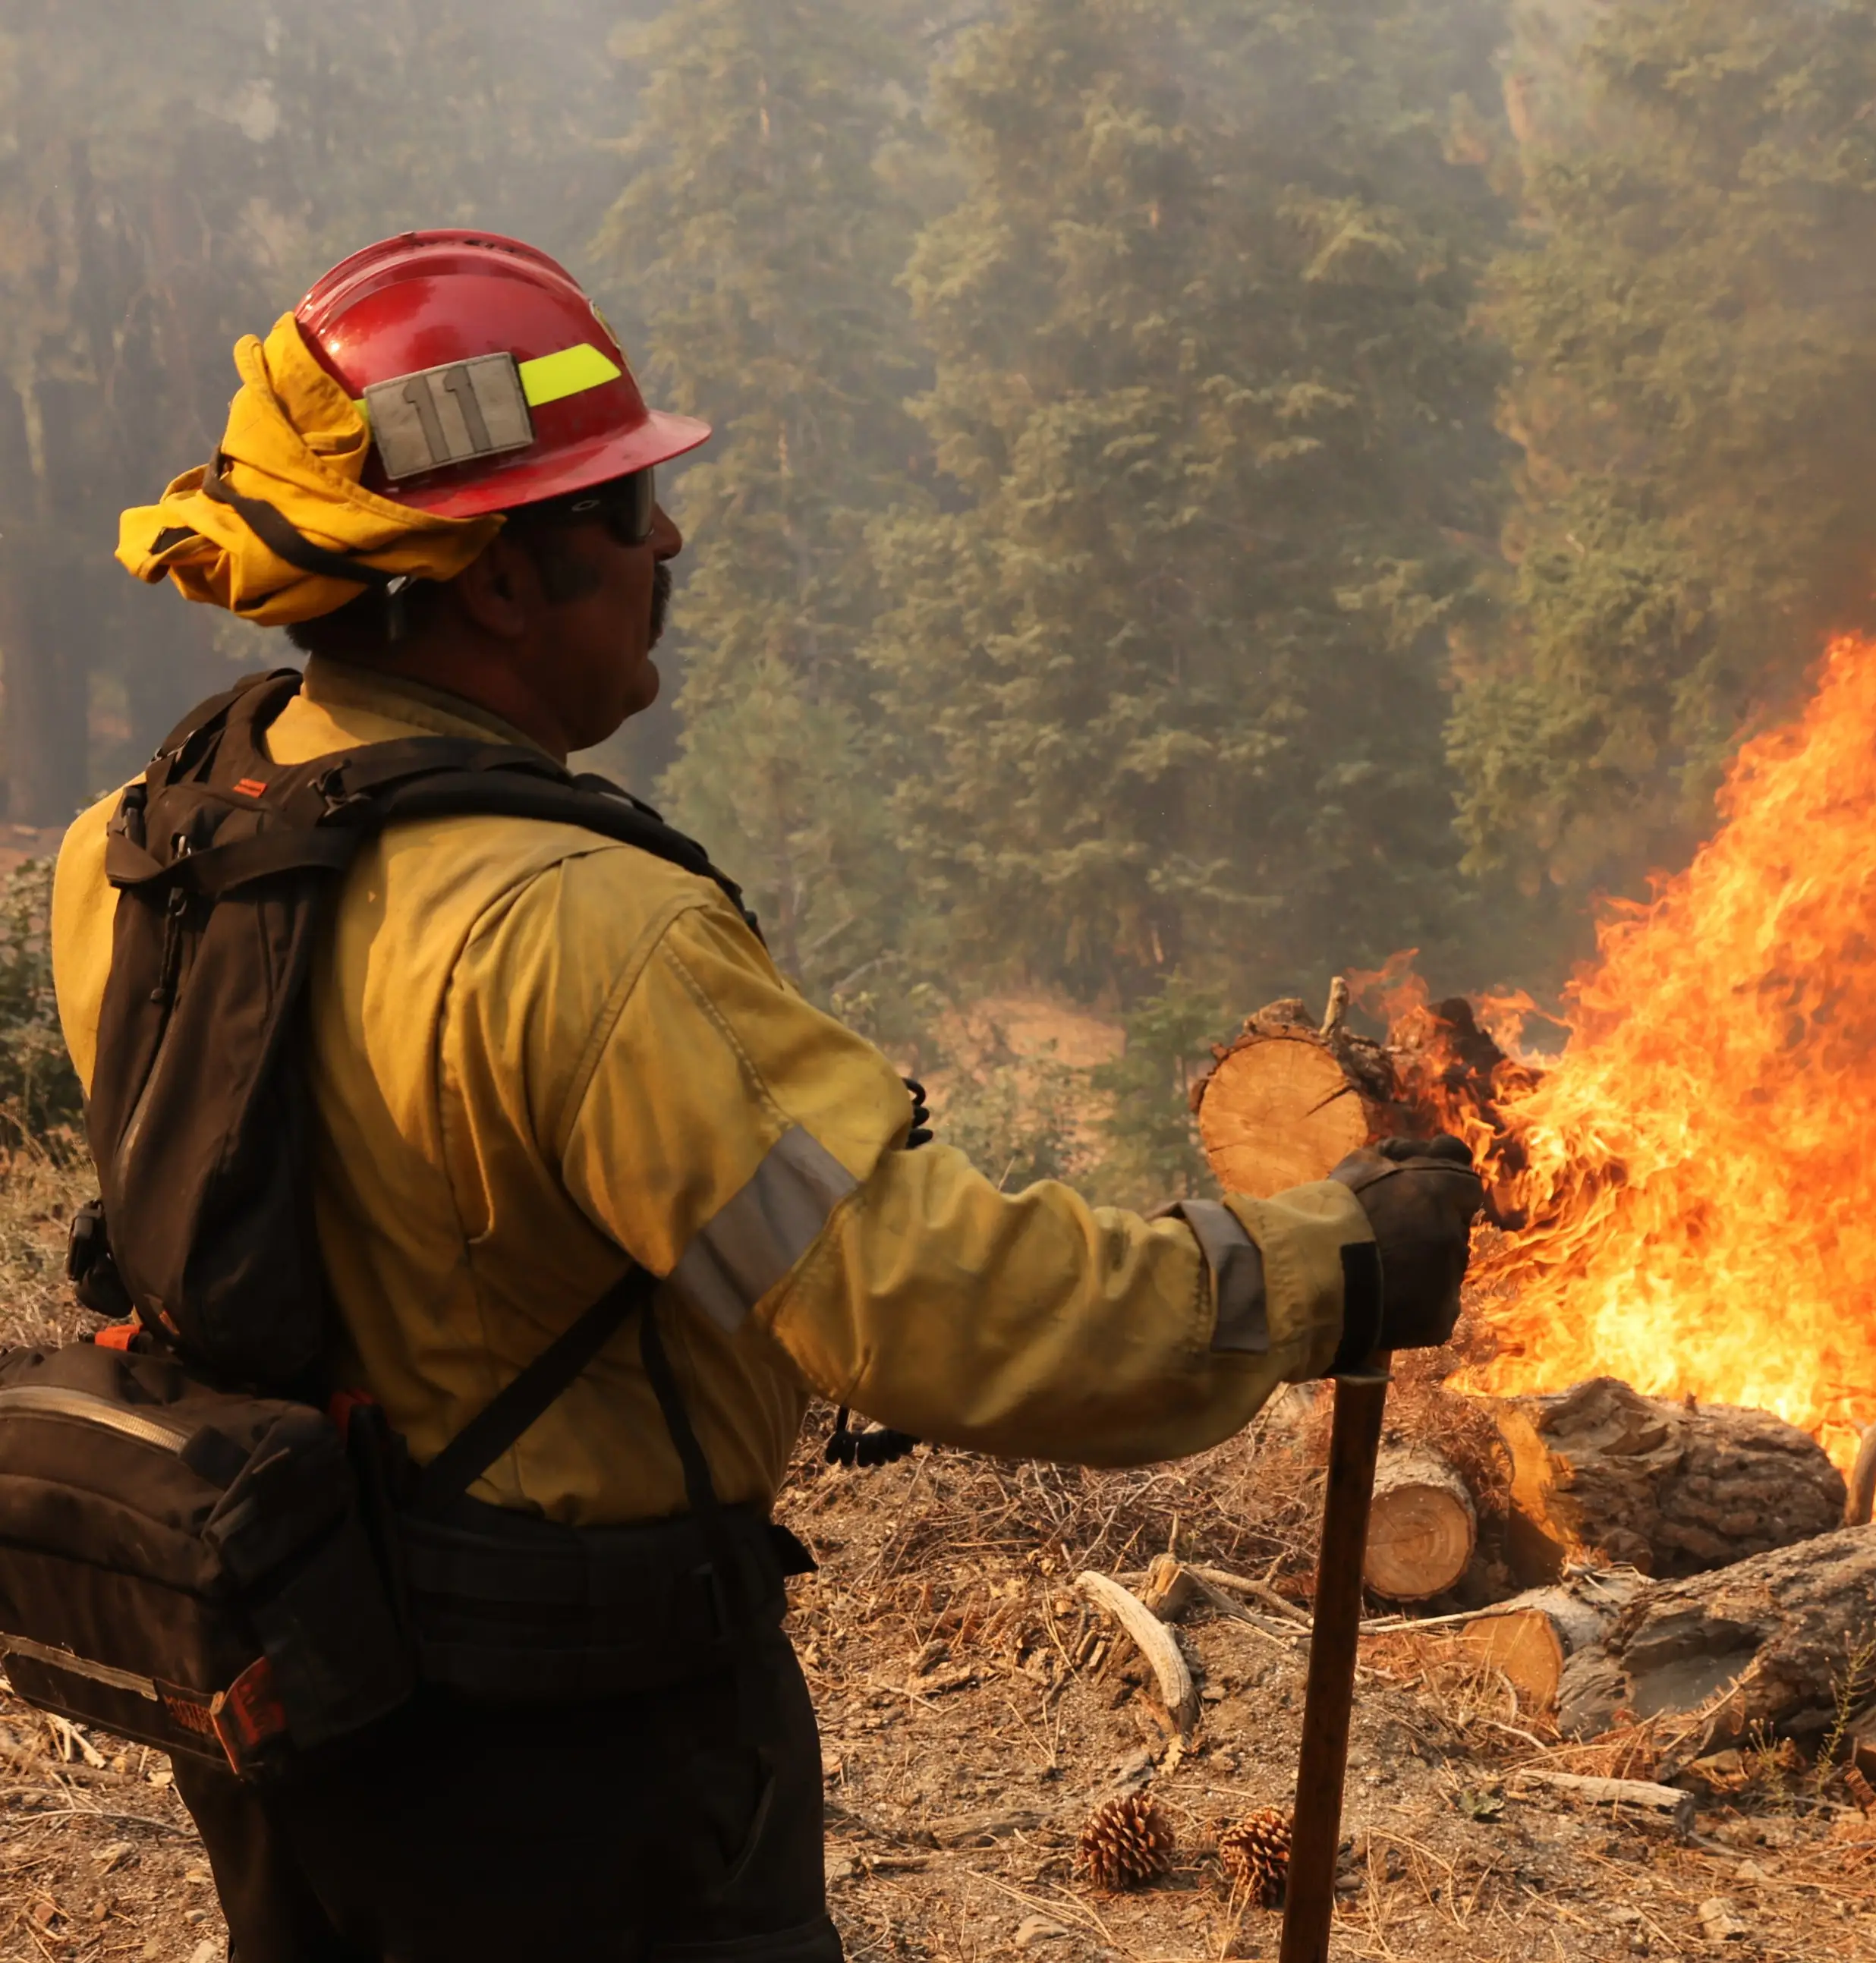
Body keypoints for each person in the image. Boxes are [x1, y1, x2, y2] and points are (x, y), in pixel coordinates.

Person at [59, 229, 1484, 1961]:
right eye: (616, 511)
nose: (665, 542)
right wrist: (1325, 1261)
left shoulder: (140, 855)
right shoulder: (583, 937)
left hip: (300, 1708)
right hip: (573, 1762)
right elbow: (934, 1312)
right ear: (500, 581)